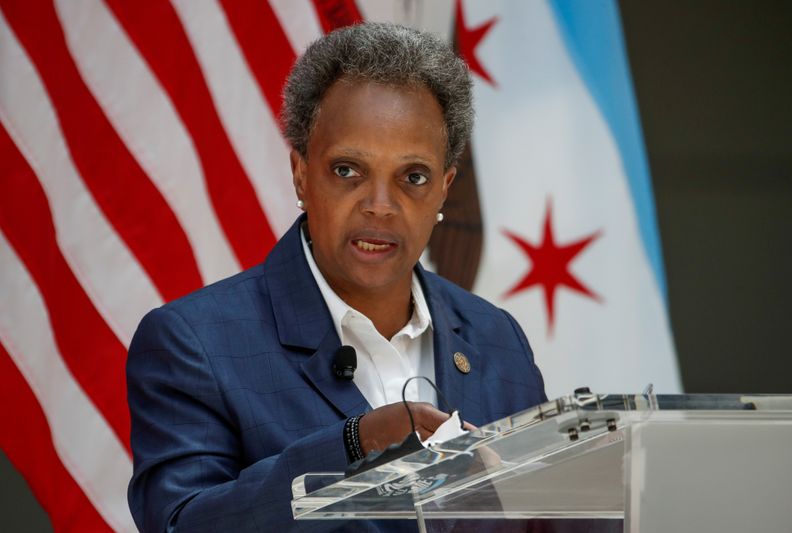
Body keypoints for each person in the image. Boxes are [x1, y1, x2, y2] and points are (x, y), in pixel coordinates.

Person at [127, 22, 547, 532]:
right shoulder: (193, 341)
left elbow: (545, 513)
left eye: (412, 177)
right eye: (348, 170)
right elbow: (181, 525)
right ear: (301, 174)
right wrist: (354, 445)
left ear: (444, 188)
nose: (380, 206)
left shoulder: (496, 337)